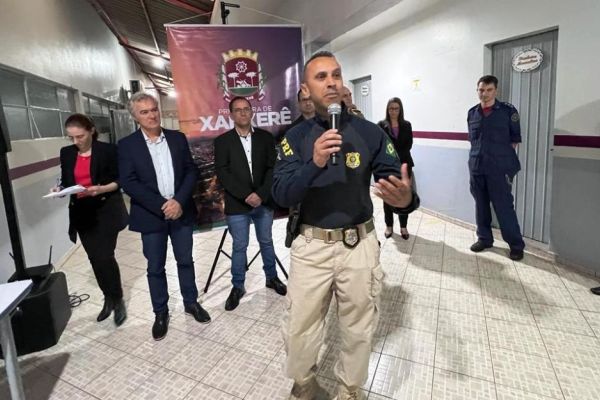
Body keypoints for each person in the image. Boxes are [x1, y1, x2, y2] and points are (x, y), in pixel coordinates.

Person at [272, 51, 419, 400]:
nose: (331, 83)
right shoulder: (294, 138)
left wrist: (406, 200)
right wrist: (314, 162)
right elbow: (281, 193)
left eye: (336, 75)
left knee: (358, 329)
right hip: (311, 246)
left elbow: (395, 181)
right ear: (306, 89)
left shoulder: (370, 133)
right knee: (299, 328)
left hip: (359, 245)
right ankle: (304, 384)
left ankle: (350, 390)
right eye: (321, 77)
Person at [118, 92, 210, 340]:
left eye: (154, 109)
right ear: (135, 117)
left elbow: (191, 171)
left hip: (181, 211)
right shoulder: (127, 145)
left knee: (185, 260)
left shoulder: (177, 138)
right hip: (151, 216)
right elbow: (129, 182)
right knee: (155, 267)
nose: (152, 115)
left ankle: (191, 302)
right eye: (144, 112)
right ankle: (161, 312)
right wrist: (163, 205)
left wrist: (178, 201)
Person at [213, 96, 287, 311]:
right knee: (240, 246)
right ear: (231, 114)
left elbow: (273, 168)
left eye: (246, 109)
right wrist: (247, 195)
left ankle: (271, 278)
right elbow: (223, 173)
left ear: (252, 112)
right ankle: (238, 286)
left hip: (263, 202)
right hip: (238, 203)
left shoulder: (265, 137)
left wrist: (260, 195)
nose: (243, 113)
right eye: (238, 110)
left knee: (266, 241)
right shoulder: (222, 141)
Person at [56, 114, 128, 326]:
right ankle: (108, 298)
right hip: (82, 213)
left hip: (105, 209)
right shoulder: (67, 153)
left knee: (105, 256)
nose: (76, 141)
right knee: (94, 258)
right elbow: (66, 179)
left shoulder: (108, 150)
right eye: (71, 137)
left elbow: (121, 179)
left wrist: (102, 189)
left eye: (80, 136)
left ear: (91, 131)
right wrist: (60, 189)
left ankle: (118, 299)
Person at [468, 75, 525, 261]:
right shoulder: (472, 113)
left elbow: (514, 141)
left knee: (504, 207)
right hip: (477, 167)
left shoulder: (508, 111)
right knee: (481, 205)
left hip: (499, 169)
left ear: (496, 91)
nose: (484, 93)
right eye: (481, 90)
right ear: (477, 90)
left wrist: (500, 161)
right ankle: (484, 239)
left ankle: (516, 245)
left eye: (489, 90)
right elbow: (473, 141)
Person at [378, 97, 414, 240]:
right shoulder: (381, 125)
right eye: (391, 108)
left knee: (404, 196)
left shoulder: (407, 125)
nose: (393, 111)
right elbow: (380, 145)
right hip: (387, 166)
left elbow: (409, 144)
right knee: (387, 197)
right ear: (387, 110)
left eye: (396, 108)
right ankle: (389, 226)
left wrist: (395, 155)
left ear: (400, 110)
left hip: (404, 165)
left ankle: (403, 227)